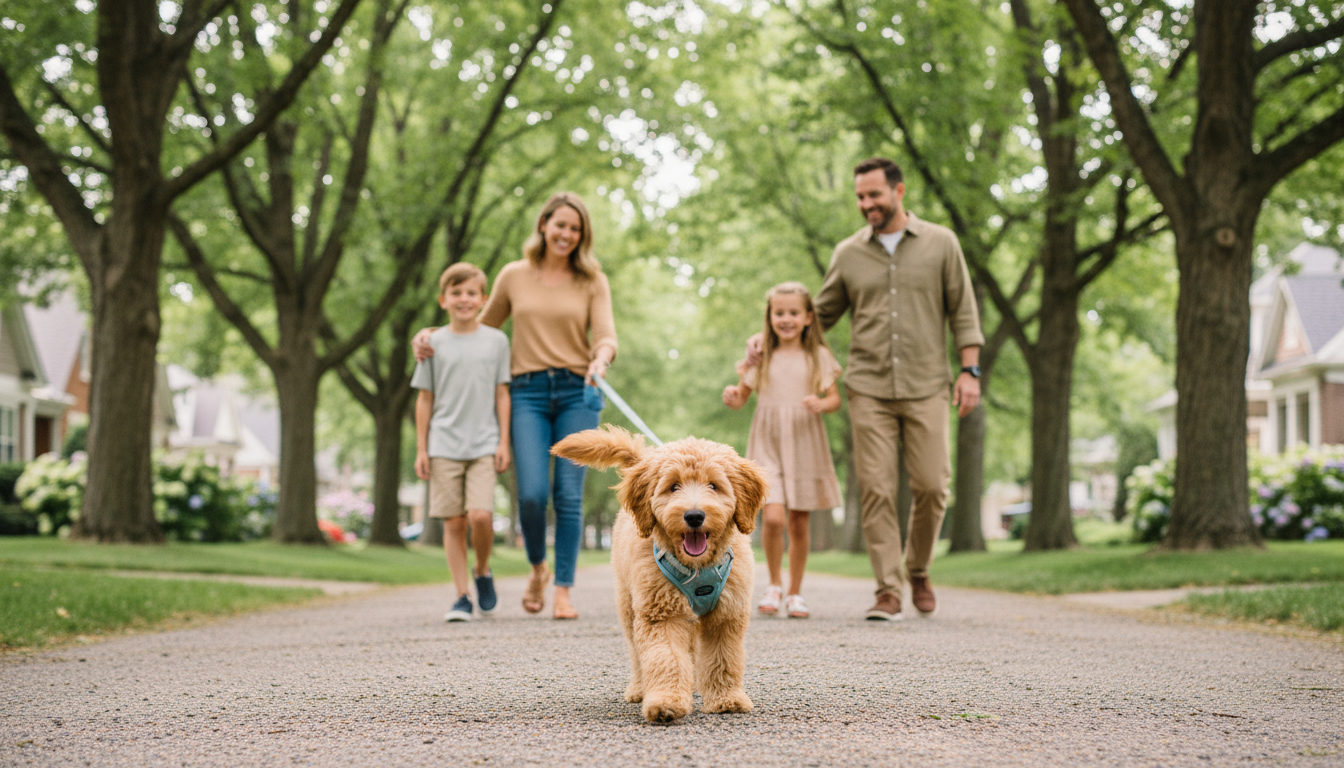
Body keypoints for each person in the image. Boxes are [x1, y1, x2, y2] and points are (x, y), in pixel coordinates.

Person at [746, 157, 983, 621]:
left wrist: (969, 371)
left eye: (874, 195)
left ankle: (917, 567)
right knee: (876, 488)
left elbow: (964, 311)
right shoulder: (848, 253)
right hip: (869, 386)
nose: (866, 204)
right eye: (860, 197)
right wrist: (768, 337)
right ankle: (888, 589)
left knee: (933, 486)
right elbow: (822, 313)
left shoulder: (941, 243)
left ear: (899, 191)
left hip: (926, 383)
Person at [414, 192, 617, 620]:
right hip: (525, 392)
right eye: (560, 224)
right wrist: (431, 334)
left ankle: (563, 590)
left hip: (576, 390)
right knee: (531, 494)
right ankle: (538, 568)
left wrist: (600, 358)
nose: (566, 234)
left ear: (583, 236)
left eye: (575, 228)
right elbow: (476, 326)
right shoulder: (514, 275)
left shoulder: (592, 279)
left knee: (567, 493)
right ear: (543, 224)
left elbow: (605, 335)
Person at [724, 282, 843, 620]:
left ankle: (795, 592)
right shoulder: (761, 355)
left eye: (793, 312)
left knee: (799, 522)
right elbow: (741, 395)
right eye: (779, 313)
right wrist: (733, 396)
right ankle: (774, 583)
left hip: (805, 439)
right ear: (770, 316)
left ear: (808, 317)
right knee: (773, 517)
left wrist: (822, 403)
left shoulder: (818, 355)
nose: (786, 319)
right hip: (768, 439)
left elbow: (835, 398)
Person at [412, 262, 512, 622]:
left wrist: (503, 441)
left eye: (471, 293)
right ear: (443, 300)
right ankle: (461, 596)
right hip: (443, 445)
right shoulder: (431, 344)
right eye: (456, 293)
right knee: (453, 523)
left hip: (484, 442)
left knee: (481, 516)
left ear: (484, 299)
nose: (464, 299)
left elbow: (503, 394)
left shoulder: (497, 341)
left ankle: (482, 570)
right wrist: (422, 448)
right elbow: (424, 399)